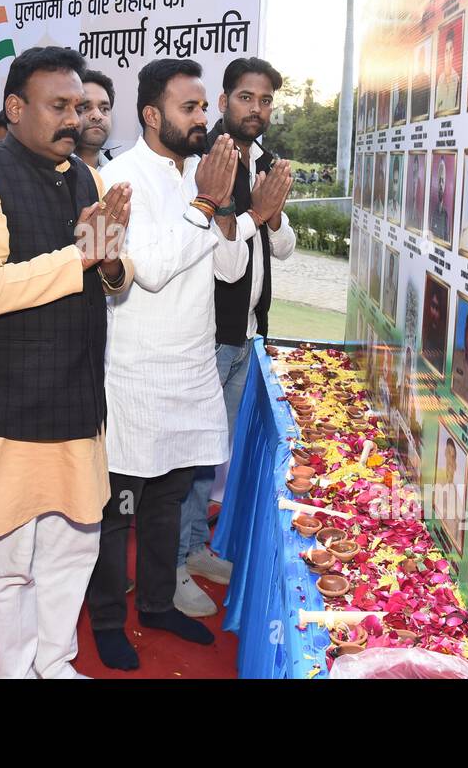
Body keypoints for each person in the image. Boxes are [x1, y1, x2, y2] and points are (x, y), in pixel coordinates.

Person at [0, 46, 134, 679]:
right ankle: (14, 672)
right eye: (59, 106)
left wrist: (106, 260)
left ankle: (56, 663)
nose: (75, 119)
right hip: (8, 406)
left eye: (80, 106)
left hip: (79, 398)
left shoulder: (87, 176)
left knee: (76, 546)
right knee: (11, 561)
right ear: (16, 108)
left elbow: (113, 276)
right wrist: (79, 255)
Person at [88, 58, 247, 670]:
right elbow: (146, 269)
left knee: (169, 496)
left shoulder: (202, 177)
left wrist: (239, 211)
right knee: (117, 509)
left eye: (205, 106)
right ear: (152, 115)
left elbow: (227, 270)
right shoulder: (118, 178)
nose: (203, 117)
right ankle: (106, 620)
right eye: (190, 107)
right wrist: (206, 204)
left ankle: (156, 604)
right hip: (134, 370)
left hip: (191, 365)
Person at [177, 58, 295, 618]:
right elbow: (225, 264)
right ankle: (173, 565)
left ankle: (195, 548)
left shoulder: (265, 162)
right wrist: (259, 211)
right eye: (246, 98)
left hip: (248, 333)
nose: (257, 109)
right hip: (208, 334)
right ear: (224, 101)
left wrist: (271, 213)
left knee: (211, 452)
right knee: (189, 453)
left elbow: (286, 245)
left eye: (265, 100)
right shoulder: (212, 164)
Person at [75, 70, 114, 169]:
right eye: (85, 107)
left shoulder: (120, 175)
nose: (97, 116)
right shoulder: (46, 172)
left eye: (104, 109)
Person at [434, 28, 460, 114]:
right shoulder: (440, 80)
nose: (448, 54)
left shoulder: (457, 79)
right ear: (444, 54)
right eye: (446, 51)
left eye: (450, 50)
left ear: (453, 53)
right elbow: (436, 108)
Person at [429, 158, 450, 242]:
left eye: (443, 181)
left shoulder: (446, 215)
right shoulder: (433, 213)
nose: (441, 184)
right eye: (439, 181)